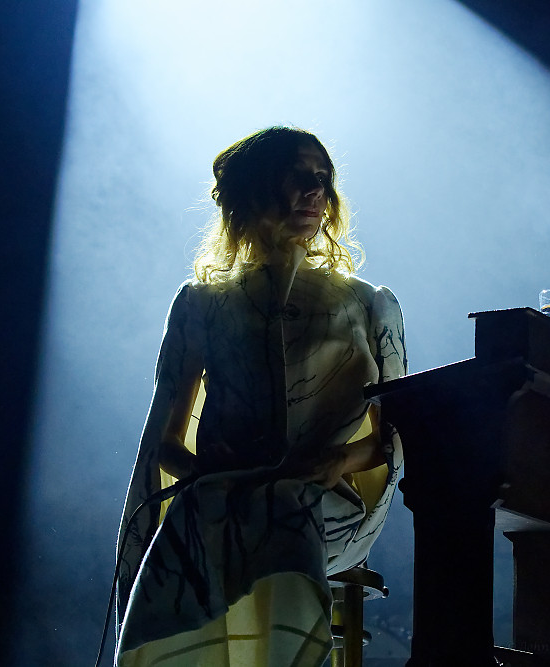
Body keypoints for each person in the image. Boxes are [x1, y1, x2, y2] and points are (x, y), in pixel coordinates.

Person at [115, 127, 407, 666]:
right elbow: (166, 446)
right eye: (297, 176)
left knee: (282, 508)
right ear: (252, 190)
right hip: (221, 499)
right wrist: (205, 475)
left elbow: (393, 441)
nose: (315, 191)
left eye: (323, 179)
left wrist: (338, 459)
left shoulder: (368, 304)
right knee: (198, 520)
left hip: (325, 500)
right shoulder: (203, 304)